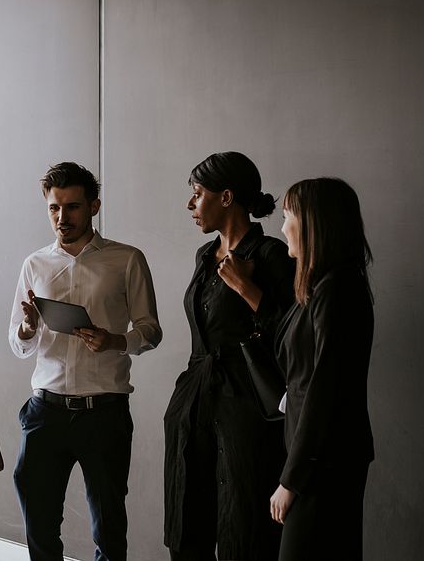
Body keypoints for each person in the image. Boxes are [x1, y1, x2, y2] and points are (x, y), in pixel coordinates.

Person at [10, 162, 162, 561]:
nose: (62, 218)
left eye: (73, 207)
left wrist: (116, 340)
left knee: (109, 527)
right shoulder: (34, 264)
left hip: (104, 414)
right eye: (54, 208)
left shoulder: (127, 260)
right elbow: (18, 343)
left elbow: (150, 330)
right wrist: (28, 327)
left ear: (94, 206)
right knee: (39, 525)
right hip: (46, 412)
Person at [164, 151, 294, 560]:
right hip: (195, 399)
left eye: (197, 194)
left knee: (244, 522)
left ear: (225, 197)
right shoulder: (204, 257)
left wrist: (246, 289)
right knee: (188, 514)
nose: (190, 204)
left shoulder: (271, 255)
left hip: (246, 406)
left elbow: (293, 335)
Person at [269, 177, 375, 560]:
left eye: (288, 217)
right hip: (318, 459)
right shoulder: (320, 288)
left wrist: (291, 481)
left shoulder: (338, 291)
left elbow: (325, 392)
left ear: (314, 223)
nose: (282, 229)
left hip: (325, 465)